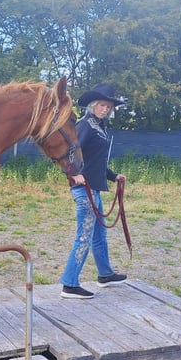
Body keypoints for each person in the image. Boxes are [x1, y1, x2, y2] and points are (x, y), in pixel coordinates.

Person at [60, 83, 128, 299]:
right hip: (83, 190)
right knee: (84, 236)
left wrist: (113, 175)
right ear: (92, 105)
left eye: (108, 107)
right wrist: (72, 174)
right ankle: (69, 284)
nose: (105, 109)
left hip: (95, 189)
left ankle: (105, 274)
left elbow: (96, 161)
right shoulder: (86, 125)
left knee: (99, 234)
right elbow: (69, 151)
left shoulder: (100, 126)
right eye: (102, 105)